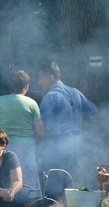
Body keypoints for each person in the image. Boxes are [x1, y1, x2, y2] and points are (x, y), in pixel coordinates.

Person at [0, 70, 44, 200]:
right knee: (27, 184)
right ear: (26, 86)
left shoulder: (0, 101)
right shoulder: (32, 103)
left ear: (11, 86)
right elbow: (40, 131)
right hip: (27, 148)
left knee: (8, 181)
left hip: (6, 147)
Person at [37, 61, 97, 189]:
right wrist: (84, 97)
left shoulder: (50, 97)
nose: (39, 82)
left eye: (41, 78)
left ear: (50, 77)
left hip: (56, 146)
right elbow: (93, 110)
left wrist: (40, 149)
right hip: (76, 145)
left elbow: (46, 128)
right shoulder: (76, 92)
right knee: (72, 182)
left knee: (55, 185)